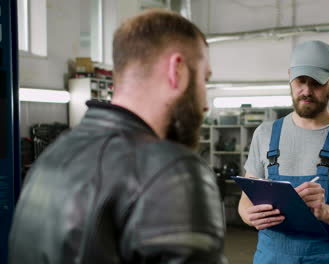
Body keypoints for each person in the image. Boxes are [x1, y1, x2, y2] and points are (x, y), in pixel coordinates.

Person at [9, 9, 226, 264]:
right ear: (176, 70)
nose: (205, 104)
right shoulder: (170, 169)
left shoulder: (55, 154)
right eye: (204, 80)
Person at [238, 40, 329, 263]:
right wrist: (249, 215)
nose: (307, 91)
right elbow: (245, 202)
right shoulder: (264, 134)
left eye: (317, 83)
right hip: (271, 257)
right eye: (301, 81)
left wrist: (324, 211)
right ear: (290, 76)